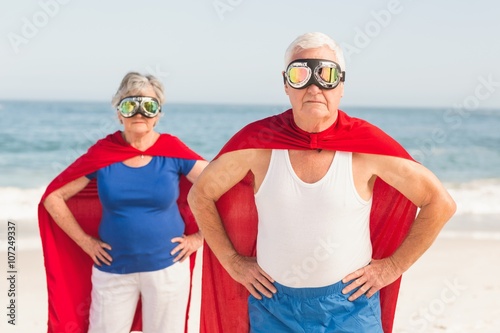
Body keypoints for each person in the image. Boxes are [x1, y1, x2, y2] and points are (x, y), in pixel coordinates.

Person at [188, 32, 456, 333]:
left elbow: (440, 203)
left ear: (341, 86)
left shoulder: (365, 149)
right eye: (301, 74)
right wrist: (232, 262)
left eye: (326, 75)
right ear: (286, 84)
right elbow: (200, 195)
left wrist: (392, 267)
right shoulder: (259, 146)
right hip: (273, 307)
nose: (314, 87)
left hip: (350, 308)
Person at [39, 72, 208, 333]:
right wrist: (85, 242)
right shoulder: (104, 153)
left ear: (159, 113)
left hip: (168, 271)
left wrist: (199, 238)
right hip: (112, 271)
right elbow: (54, 197)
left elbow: (221, 189)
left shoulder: (172, 151)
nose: (139, 112)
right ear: (119, 113)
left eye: (149, 105)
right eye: (130, 105)